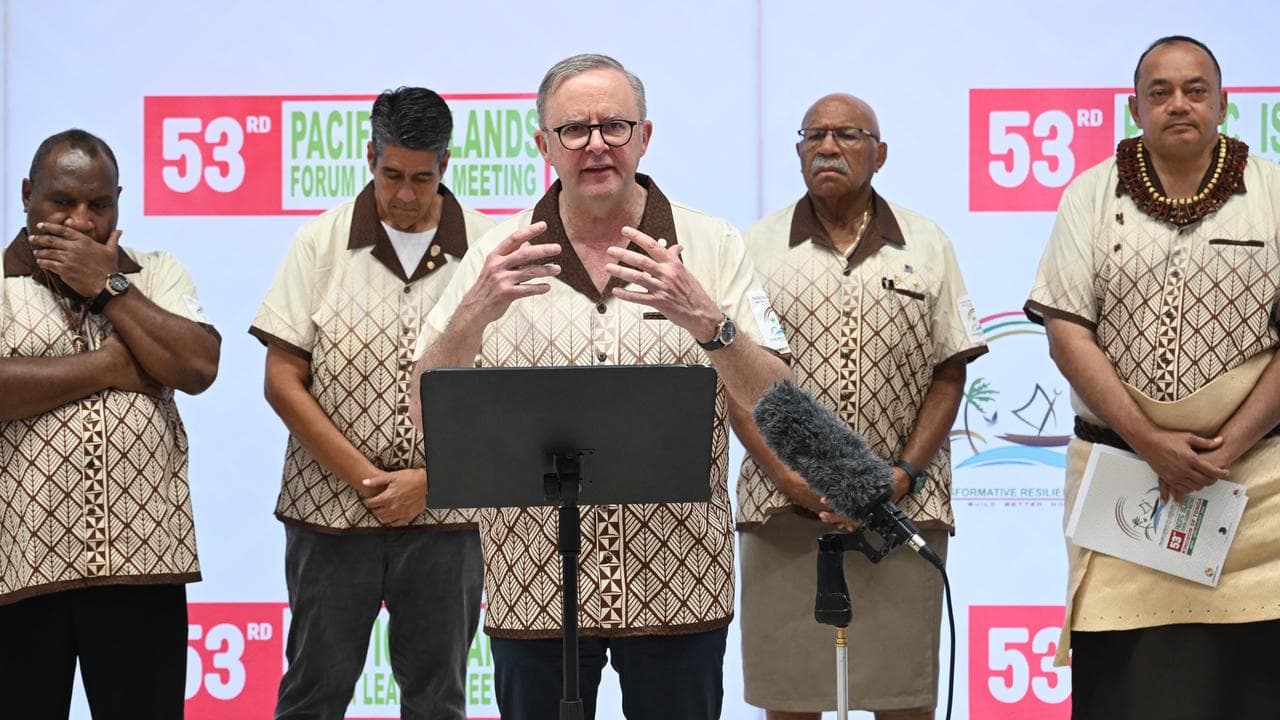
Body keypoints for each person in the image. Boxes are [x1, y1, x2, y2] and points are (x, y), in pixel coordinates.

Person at [411, 53, 792, 720]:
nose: (595, 145)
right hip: (532, 589)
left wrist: (706, 321)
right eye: (574, 130)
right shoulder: (497, 253)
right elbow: (423, 413)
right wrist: (474, 311)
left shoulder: (712, 244)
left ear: (644, 136)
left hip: (680, 583)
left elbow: (779, 405)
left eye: (614, 126)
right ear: (542, 145)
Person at [1025, 35, 1280, 720]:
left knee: (1253, 684)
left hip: (1254, 486)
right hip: (1122, 479)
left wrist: (1224, 449)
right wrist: (1148, 443)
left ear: (1224, 103)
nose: (1178, 104)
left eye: (1195, 90)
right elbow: (1067, 331)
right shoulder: (1088, 194)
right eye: (1159, 92)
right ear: (1135, 108)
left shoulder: (1277, 192)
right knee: (1128, 687)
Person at [731, 94, 987, 720]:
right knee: (793, 700)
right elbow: (732, 378)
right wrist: (787, 477)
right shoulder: (752, 248)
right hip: (782, 512)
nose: (827, 146)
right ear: (797, 152)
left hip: (904, 509)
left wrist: (904, 476)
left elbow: (949, 370)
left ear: (880, 153)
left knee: (903, 701)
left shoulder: (927, 244)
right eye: (814, 135)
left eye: (847, 134)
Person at [250, 87, 492, 720]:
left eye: (422, 177)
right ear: (368, 157)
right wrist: (367, 480)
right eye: (391, 175)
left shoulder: (492, 251)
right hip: (328, 518)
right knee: (312, 696)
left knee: (439, 700)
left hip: (448, 523)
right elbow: (282, 379)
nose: (405, 195)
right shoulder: (320, 243)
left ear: (446, 165)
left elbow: (507, 393)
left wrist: (433, 483)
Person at [0, 129, 220, 719]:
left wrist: (109, 286)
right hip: (19, 571)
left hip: (143, 570)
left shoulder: (157, 272)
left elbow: (197, 365)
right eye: (61, 202)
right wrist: (109, 366)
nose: (81, 221)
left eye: (99, 205)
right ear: (26, 194)